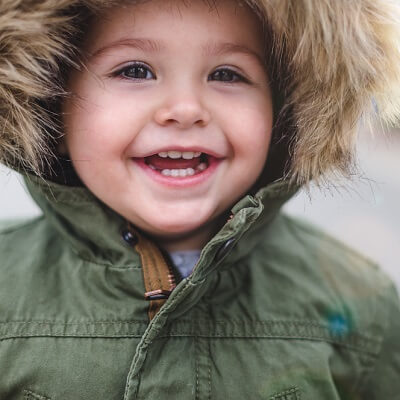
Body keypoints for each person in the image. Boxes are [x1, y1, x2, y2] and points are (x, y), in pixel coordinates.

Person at [0, 0, 399, 398]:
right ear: (52, 106)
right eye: (135, 70)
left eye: (227, 74)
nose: (186, 109)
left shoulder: (359, 304)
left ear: (284, 114)